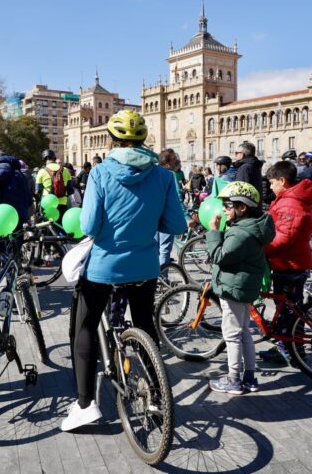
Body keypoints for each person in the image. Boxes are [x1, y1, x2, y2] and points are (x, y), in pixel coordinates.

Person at [61, 110, 186, 431]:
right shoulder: (164, 176)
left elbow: (88, 224)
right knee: (145, 325)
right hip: (145, 266)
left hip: (105, 266)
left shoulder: (101, 173)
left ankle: (85, 404)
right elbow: (175, 224)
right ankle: (157, 396)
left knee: (85, 327)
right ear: (144, 141)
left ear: (113, 141)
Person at [206, 182, 274, 395]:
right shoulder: (250, 228)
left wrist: (213, 231)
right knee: (244, 332)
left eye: (227, 205)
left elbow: (218, 256)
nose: (223, 209)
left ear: (242, 208)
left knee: (232, 334)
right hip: (243, 287)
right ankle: (250, 378)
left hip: (234, 288)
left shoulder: (240, 234)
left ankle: (233, 379)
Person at [260, 161, 312, 364]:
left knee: (289, 313)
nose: (271, 187)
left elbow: (284, 237)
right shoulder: (290, 198)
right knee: (288, 310)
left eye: (273, 183)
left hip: (289, 263)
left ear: (282, 181)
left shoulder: (290, 203)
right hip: (291, 261)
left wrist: (261, 249)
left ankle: (293, 352)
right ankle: (287, 346)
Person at [156, 148, 193, 267]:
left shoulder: (153, 173)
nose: (176, 160)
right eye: (174, 159)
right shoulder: (170, 175)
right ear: (166, 163)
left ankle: (156, 279)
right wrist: (187, 217)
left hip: (153, 216)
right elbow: (177, 199)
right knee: (165, 249)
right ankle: (163, 279)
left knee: (155, 249)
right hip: (166, 216)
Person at [36, 149, 71, 222]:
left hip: (48, 203)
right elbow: (70, 189)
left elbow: (38, 191)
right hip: (62, 203)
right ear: (54, 158)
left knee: (48, 229)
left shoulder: (41, 171)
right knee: (62, 227)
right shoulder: (65, 170)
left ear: (44, 160)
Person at [233, 142, 264, 206]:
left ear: (242, 155)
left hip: (245, 209)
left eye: (236, 153)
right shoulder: (254, 165)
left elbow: (241, 191)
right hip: (255, 205)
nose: (235, 155)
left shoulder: (244, 168)